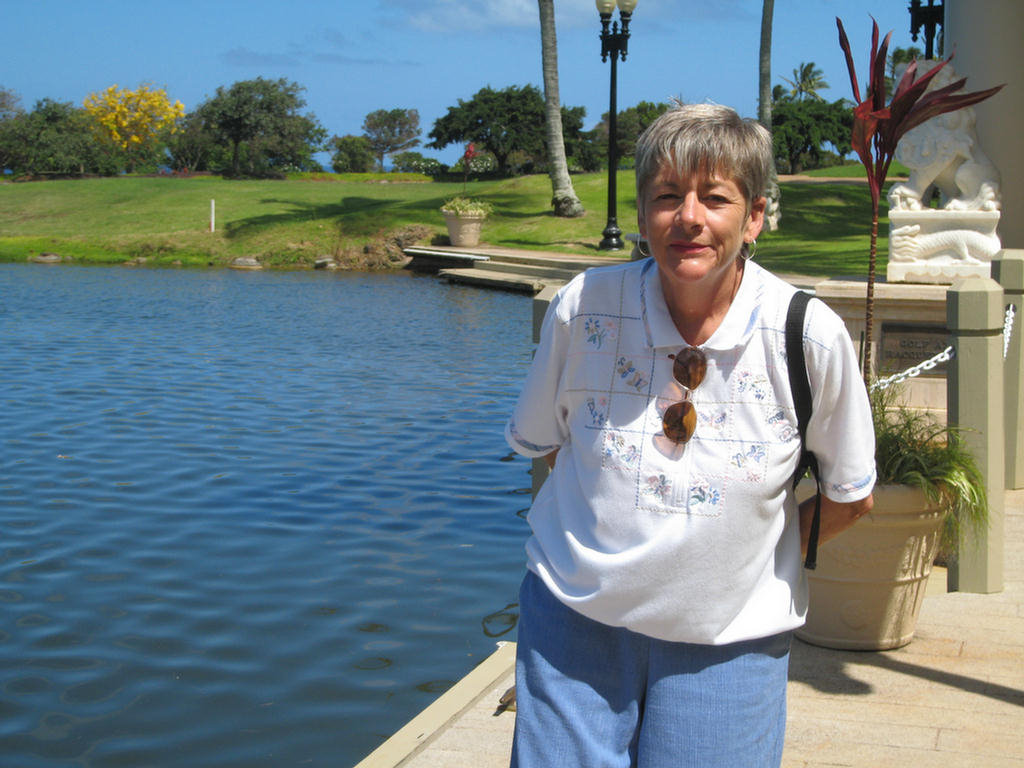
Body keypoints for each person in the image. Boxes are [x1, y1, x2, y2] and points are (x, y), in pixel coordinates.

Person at [504, 103, 876, 768]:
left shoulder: (807, 334)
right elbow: (549, 444)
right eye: (667, 196)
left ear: (755, 216)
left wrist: (748, 554)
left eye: (716, 197)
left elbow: (850, 496)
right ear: (644, 211)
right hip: (572, 624)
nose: (689, 218)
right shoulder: (583, 308)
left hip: (728, 639)